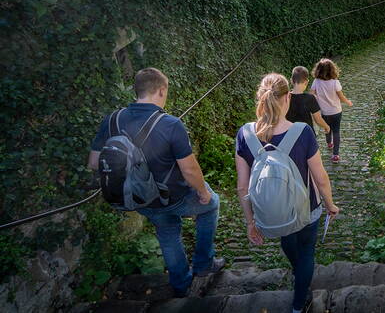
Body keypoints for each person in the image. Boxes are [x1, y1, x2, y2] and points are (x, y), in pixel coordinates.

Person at [87, 68, 224, 297]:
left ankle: (181, 285)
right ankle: (203, 265)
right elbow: (189, 170)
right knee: (211, 204)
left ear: (137, 91)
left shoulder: (112, 119)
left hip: (139, 198)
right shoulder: (170, 124)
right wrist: (203, 192)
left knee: (167, 232)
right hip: (174, 197)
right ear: (161, 90)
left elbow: (94, 162)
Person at [235, 73, 340, 313]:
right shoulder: (302, 132)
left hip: (273, 212)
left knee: (289, 243)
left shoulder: (245, 134)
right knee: (306, 253)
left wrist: (251, 223)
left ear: (260, 99)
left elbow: (242, 186)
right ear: (287, 99)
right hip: (307, 209)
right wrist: (330, 204)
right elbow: (320, 178)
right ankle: (299, 302)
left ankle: (300, 275)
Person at [309, 59, 352, 163]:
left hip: (323, 112)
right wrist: (348, 102)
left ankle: (329, 143)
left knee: (326, 127)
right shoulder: (335, 82)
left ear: (318, 70)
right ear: (333, 70)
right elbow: (341, 97)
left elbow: (311, 94)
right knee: (336, 131)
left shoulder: (316, 82)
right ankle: (335, 154)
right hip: (336, 111)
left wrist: (317, 98)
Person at [287, 66, 331, 136]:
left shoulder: (285, 98)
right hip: (307, 135)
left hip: (289, 135)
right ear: (306, 82)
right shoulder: (310, 98)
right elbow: (318, 120)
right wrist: (327, 127)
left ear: (291, 80)